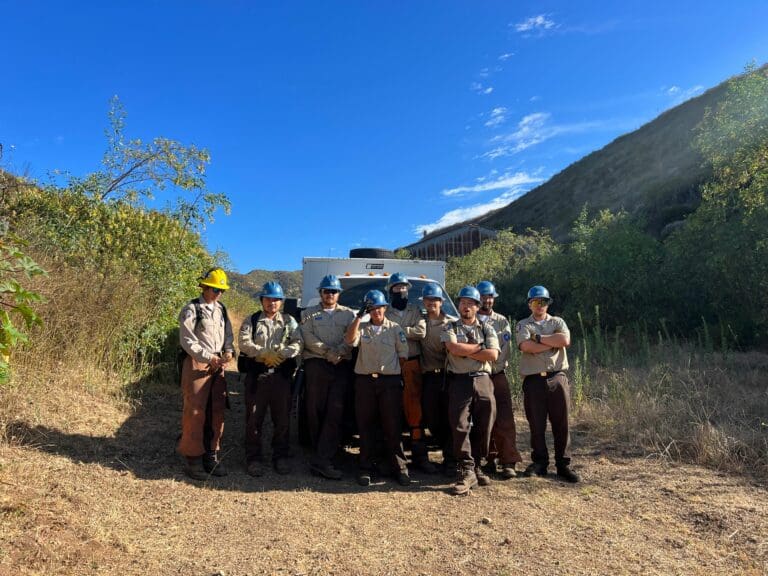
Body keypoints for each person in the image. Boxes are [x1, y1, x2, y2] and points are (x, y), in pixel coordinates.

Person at [345, 290, 411, 487]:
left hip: (389, 383)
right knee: (365, 426)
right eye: (372, 308)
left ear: (385, 308)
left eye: (379, 307)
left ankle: (400, 468)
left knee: (392, 426)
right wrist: (358, 317)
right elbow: (349, 340)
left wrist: (392, 374)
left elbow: (403, 355)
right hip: (365, 382)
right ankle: (365, 468)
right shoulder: (361, 328)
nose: (376, 312)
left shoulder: (395, 328)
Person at [515, 285, 579, 483]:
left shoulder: (558, 321)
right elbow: (526, 346)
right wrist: (551, 343)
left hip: (557, 377)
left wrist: (539, 339)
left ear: (548, 303)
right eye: (535, 302)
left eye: (543, 301)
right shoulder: (523, 324)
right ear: (529, 304)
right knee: (536, 424)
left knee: (562, 423)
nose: (539, 305)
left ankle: (563, 464)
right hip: (534, 380)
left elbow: (564, 340)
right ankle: (540, 463)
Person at [238, 281, 302, 477]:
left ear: (281, 302)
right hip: (257, 376)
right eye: (268, 299)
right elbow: (243, 342)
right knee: (253, 419)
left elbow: (298, 342)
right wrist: (263, 353)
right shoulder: (252, 320)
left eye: (276, 299)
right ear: (262, 300)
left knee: (282, 419)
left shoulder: (289, 322)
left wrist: (283, 354)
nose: (272, 303)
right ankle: (253, 458)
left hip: (281, 377)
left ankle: (280, 456)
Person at [177, 268, 235, 480]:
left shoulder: (222, 310)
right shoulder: (192, 309)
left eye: (222, 290)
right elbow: (187, 340)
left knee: (216, 411)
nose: (219, 293)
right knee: (195, 411)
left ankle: (211, 455)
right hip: (197, 363)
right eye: (215, 289)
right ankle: (193, 459)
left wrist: (228, 351)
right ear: (204, 287)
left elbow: (228, 335)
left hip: (217, 364)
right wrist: (207, 357)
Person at [441, 286, 499, 495]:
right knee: (460, 425)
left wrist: (466, 350)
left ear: (477, 306)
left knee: (485, 423)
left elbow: (493, 355)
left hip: (483, 379)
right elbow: (453, 348)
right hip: (459, 381)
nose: (465, 307)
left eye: (470, 303)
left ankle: (478, 465)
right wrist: (479, 348)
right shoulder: (450, 326)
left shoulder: (487, 328)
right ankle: (466, 468)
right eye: (463, 303)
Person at [300, 274, 356, 480]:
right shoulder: (308, 314)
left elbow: (352, 338)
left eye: (333, 291)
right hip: (316, 364)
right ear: (320, 293)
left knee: (335, 409)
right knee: (315, 410)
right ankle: (320, 451)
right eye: (326, 291)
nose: (330, 294)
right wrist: (328, 352)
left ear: (338, 294)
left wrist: (339, 352)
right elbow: (307, 337)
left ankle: (324, 457)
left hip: (341, 365)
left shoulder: (349, 314)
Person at [384, 272, 434, 473]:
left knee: (415, 411)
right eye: (397, 287)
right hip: (390, 366)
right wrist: (405, 330)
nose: (402, 290)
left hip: (413, 365)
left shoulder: (416, 310)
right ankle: (392, 459)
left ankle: (420, 456)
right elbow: (382, 332)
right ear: (391, 291)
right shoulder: (384, 311)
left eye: (404, 287)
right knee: (390, 411)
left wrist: (395, 331)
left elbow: (421, 332)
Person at [476, 280, 523, 479]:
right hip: (478, 375)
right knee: (483, 419)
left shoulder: (502, 321)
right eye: (483, 297)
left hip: (497, 374)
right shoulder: (470, 319)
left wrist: (492, 366)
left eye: (490, 297)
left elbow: (504, 350)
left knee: (504, 418)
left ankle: (508, 461)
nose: (487, 300)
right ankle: (489, 458)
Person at [419, 283, 457, 475]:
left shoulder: (452, 323)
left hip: (447, 376)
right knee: (432, 419)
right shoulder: (420, 322)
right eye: (427, 299)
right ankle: (445, 449)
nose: (431, 302)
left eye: (435, 299)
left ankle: (450, 460)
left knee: (450, 419)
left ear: (441, 302)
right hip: (428, 377)